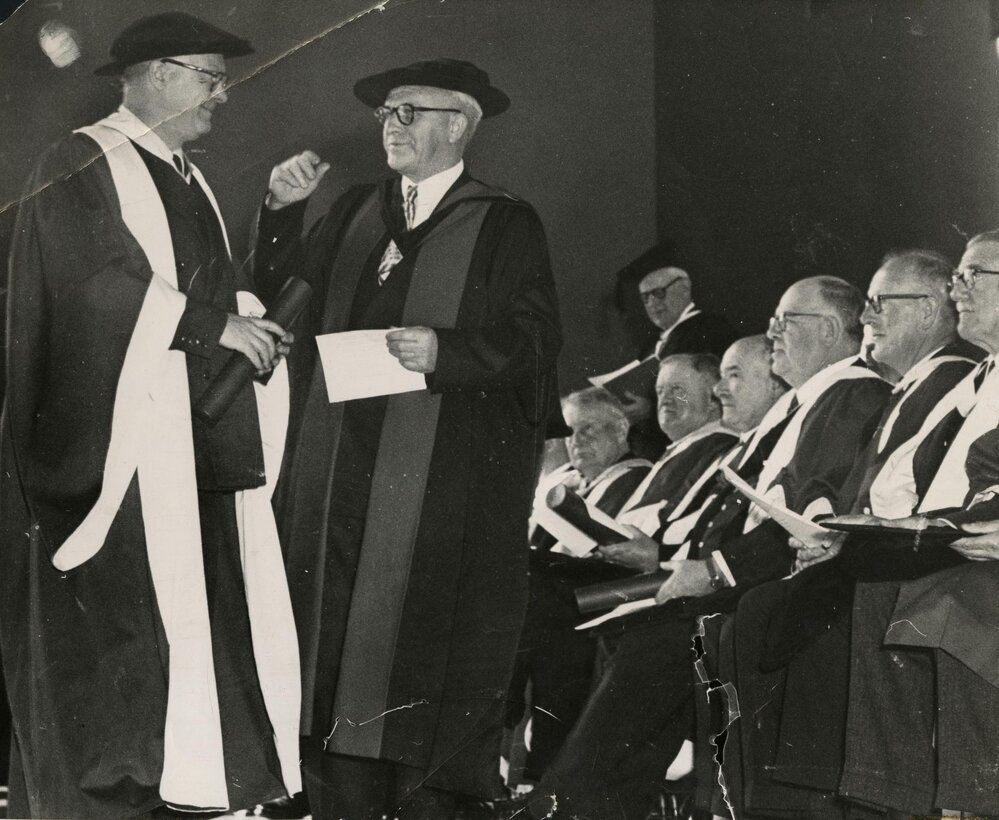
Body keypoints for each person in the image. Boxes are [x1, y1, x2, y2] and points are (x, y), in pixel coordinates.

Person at [0, 12, 301, 819]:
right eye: (211, 78)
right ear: (159, 75)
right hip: (114, 456)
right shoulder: (81, 160)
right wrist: (211, 325)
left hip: (186, 446)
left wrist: (245, 318)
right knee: (121, 648)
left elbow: (207, 293)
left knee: (186, 634)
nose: (224, 95)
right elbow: (88, 284)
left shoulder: (186, 177)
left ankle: (177, 793)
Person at [252, 59, 563, 819]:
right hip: (336, 467)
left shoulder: (503, 221)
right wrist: (282, 213)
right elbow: (280, 302)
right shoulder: (355, 210)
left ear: (458, 124)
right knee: (331, 649)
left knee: (415, 655)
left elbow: (535, 340)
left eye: (408, 112)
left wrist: (448, 352)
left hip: (435, 475)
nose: (390, 126)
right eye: (385, 113)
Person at [523, 279, 890, 820]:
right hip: (735, 587)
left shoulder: (849, 393)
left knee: (649, 649)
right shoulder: (814, 401)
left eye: (785, 321)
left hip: (768, 596)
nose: (773, 333)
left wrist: (712, 571)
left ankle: (559, 806)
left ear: (830, 330)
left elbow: (807, 513)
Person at [715, 250, 981, 819]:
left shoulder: (952, 375)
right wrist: (834, 531)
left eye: (882, 302)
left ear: (928, 310)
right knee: (768, 612)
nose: (867, 317)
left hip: (934, 562)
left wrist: (845, 540)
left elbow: (922, 496)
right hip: (893, 551)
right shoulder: (922, 382)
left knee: (775, 613)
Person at [818, 232, 999, 817]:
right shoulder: (980, 378)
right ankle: (899, 803)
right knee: (881, 590)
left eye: (973, 275)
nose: (956, 289)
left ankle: (967, 804)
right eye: (956, 276)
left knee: (946, 601)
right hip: (961, 542)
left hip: (977, 559)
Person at [509, 388, 651, 782]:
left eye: (589, 429)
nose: (577, 441)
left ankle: (534, 770)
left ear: (620, 431)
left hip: (611, 594)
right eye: (571, 432)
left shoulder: (637, 477)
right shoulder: (567, 482)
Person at [614, 245, 738, 460]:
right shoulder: (651, 345)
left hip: (701, 445)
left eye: (658, 293)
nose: (653, 303)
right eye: (645, 298)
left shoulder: (709, 330)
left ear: (684, 289)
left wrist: (653, 407)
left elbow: (708, 392)